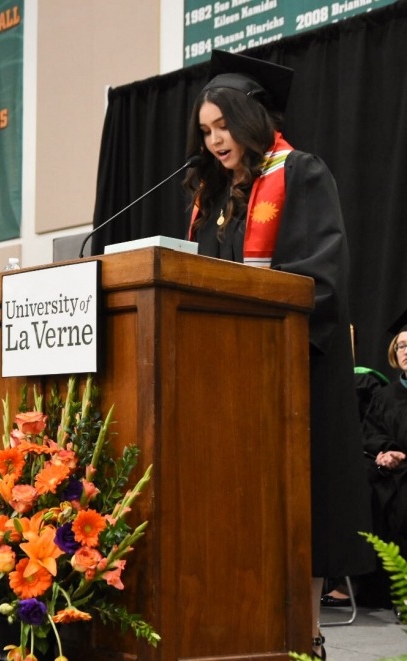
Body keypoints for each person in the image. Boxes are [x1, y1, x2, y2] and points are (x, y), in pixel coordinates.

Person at [184, 50, 374, 658]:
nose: (214, 141)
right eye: (206, 131)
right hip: (227, 374)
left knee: (299, 503)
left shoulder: (302, 173)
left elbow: (322, 276)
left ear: (249, 119)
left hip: (295, 368)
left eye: (222, 127)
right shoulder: (213, 201)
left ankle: (304, 635)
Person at [358, 322, 407, 607]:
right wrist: (387, 451)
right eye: (401, 346)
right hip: (389, 472)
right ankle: (376, 590)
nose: (405, 351)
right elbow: (371, 433)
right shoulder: (384, 395)